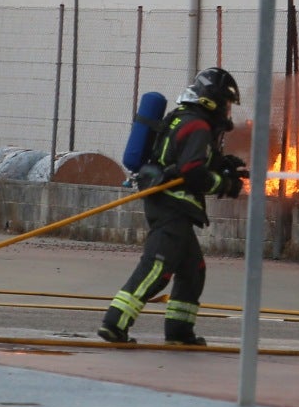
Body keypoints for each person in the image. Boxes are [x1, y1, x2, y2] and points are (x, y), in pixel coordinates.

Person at [99, 67, 247, 346]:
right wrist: (225, 184)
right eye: (227, 104)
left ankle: (180, 331)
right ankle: (114, 324)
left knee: (193, 269)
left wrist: (222, 164)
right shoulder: (199, 126)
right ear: (212, 100)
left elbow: (181, 158)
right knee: (157, 268)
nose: (228, 111)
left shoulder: (183, 118)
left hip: (168, 203)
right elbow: (192, 172)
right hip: (173, 205)